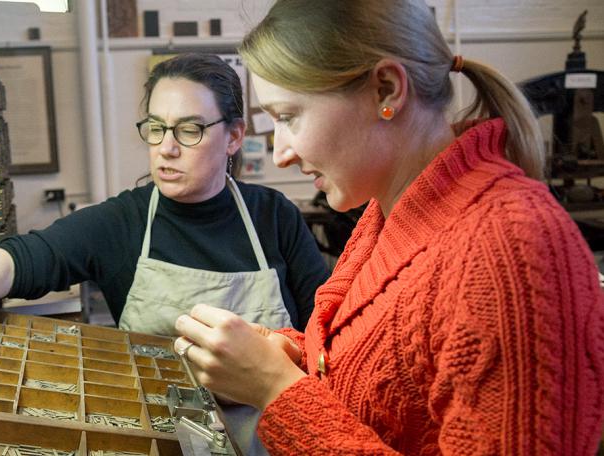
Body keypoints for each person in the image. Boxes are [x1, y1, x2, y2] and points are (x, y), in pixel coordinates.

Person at [173, 1, 604, 454]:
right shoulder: (389, 210)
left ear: (386, 89)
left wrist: (276, 390)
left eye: (288, 117)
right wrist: (287, 355)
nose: (281, 153)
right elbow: (397, 376)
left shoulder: (507, 248)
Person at [0, 53, 329, 388]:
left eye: (189, 129)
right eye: (156, 127)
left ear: (233, 136)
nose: (166, 147)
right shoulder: (122, 223)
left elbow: (325, 332)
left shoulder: (275, 216)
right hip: (159, 428)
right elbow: (20, 260)